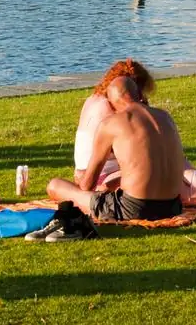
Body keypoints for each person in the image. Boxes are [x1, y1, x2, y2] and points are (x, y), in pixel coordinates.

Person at [72, 60, 196, 204]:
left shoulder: (100, 102)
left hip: (110, 171)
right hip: (102, 177)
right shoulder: (106, 110)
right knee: (174, 180)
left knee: (174, 170)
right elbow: (122, 150)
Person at [48, 77, 187, 222]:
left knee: (55, 185)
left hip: (133, 209)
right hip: (172, 206)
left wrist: (84, 181)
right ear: (139, 94)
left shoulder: (111, 124)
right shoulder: (165, 117)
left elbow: (87, 185)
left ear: (110, 103)